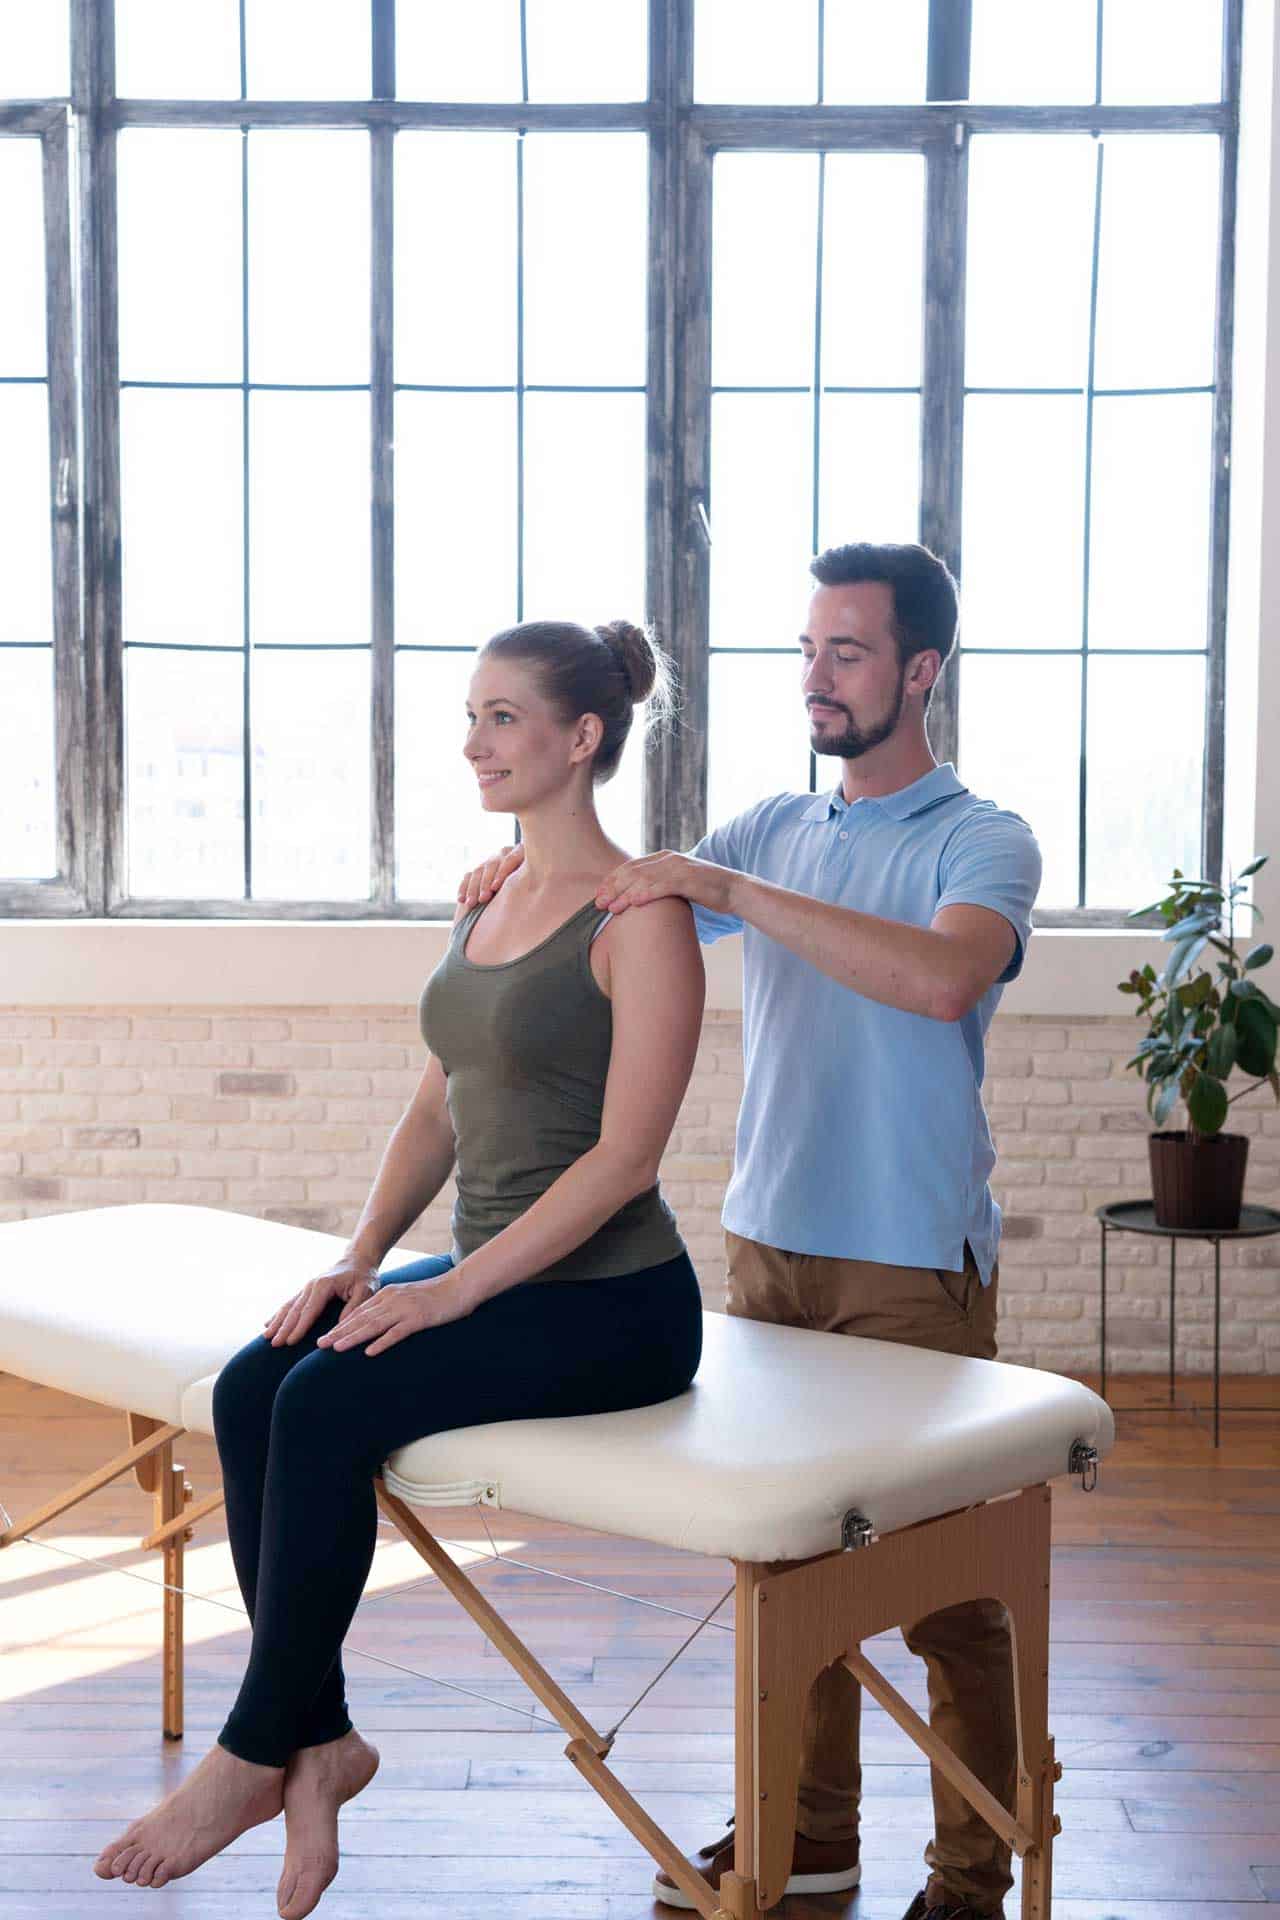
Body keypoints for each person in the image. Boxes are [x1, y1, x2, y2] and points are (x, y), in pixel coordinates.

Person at [459, 542, 1043, 1920]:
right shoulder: (775, 823)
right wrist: (523, 869)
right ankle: (806, 1842)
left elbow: (938, 974)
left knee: (945, 1598)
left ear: (920, 670)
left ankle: (976, 1867)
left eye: (847, 653)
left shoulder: (982, 838)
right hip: (768, 1252)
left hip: (910, 1268)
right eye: (808, 650)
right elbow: (622, 897)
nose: (818, 679)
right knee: (789, 1567)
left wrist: (721, 889)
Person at [91, 618, 706, 1920]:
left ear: (580, 738)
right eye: (470, 715)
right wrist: (361, 1262)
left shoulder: (638, 918)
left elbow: (626, 1159)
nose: (471, 743)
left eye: (501, 718)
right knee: (263, 1378)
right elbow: (436, 1111)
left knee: (325, 1403)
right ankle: (322, 1747)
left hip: (614, 1304)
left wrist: (454, 1291)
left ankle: (253, 1755)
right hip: (492, 1268)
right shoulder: (485, 897)